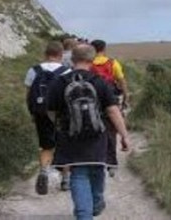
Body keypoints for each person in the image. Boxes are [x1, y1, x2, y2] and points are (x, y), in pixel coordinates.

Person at [47, 44, 130, 219]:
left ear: (71, 59)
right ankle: (97, 203)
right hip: (97, 136)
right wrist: (124, 135)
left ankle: (84, 215)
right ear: (92, 60)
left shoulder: (60, 82)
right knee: (97, 169)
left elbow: (51, 110)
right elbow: (113, 111)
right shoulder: (99, 82)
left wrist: (61, 124)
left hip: (70, 136)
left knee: (78, 174)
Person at [24, 41, 71, 195]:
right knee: (64, 145)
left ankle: (44, 171)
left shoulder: (33, 70)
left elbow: (28, 94)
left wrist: (32, 112)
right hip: (60, 114)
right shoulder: (66, 71)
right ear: (61, 54)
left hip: (40, 112)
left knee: (46, 146)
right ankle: (65, 180)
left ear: (45, 54)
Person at [90, 39, 130, 176]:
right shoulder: (113, 63)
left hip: (92, 101)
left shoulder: (89, 64)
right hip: (110, 99)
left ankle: (96, 159)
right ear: (104, 49)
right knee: (112, 131)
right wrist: (126, 96)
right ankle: (111, 163)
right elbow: (121, 80)